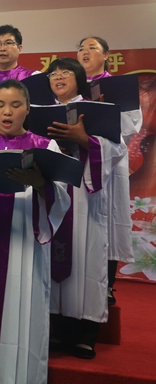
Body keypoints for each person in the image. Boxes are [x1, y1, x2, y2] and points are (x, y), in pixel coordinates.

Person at [0, 80, 70, 384]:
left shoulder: (45, 147)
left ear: (27, 108)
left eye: (15, 105)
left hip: (25, 246)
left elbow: (61, 199)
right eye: (0, 105)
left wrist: (39, 182)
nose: (7, 112)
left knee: (22, 314)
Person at [45, 58, 124, 359]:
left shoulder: (96, 110)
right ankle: (54, 329)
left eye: (66, 72)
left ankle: (84, 335)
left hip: (84, 198)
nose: (59, 77)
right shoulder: (41, 112)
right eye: (54, 73)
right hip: (52, 196)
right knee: (51, 261)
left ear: (79, 79)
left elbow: (117, 150)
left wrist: (85, 140)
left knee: (86, 262)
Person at [77, 36, 141, 305]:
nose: (85, 52)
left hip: (109, 163)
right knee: (81, 223)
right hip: (79, 164)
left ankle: (107, 285)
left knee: (109, 223)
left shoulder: (118, 87)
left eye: (92, 48)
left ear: (106, 56)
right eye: (81, 49)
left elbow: (131, 126)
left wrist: (102, 113)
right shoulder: (72, 88)